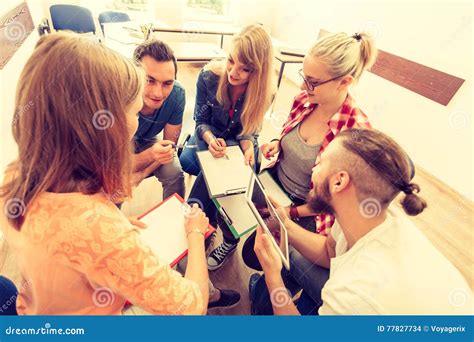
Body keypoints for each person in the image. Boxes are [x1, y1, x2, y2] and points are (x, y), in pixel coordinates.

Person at [0, 32, 209, 315]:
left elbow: (70, 243)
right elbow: (192, 305)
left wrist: (115, 223)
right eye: (135, 113)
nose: (139, 119)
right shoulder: (99, 228)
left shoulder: (14, 177)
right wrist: (195, 234)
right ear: (103, 126)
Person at [253, 128, 472, 315]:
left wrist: (272, 274)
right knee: (292, 255)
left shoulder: (354, 292)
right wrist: (285, 223)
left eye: (319, 163)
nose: (313, 169)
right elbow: (331, 252)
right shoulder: (367, 214)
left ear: (339, 181)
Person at [179, 24, 274, 278]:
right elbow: (200, 121)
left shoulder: (266, 91)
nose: (234, 72)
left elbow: (250, 131)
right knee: (219, 174)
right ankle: (204, 228)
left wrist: (246, 146)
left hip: (238, 146)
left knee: (232, 178)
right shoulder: (209, 76)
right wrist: (210, 138)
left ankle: (206, 228)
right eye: (232, 61)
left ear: (259, 71)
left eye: (245, 69)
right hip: (209, 138)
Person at [130, 40, 186, 199]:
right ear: (135, 74)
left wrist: (142, 173)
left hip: (147, 141)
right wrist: (150, 155)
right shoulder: (120, 93)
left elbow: (168, 148)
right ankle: (115, 223)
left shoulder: (177, 95)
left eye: (167, 83)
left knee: (174, 172)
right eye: (149, 80)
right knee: (115, 184)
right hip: (116, 150)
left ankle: (173, 218)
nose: (158, 93)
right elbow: (113, 165)